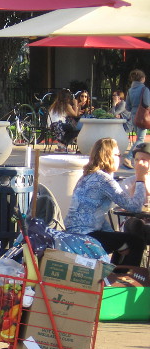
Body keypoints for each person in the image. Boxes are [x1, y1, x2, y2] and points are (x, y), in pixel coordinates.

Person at [64, 137, 149, 267]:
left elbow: (97, 215)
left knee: (123, 241)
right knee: (136, 242)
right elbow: (135, 207)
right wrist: (140, 178)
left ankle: (113, 275)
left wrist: (118, 241)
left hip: (74, 233)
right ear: (107, 156)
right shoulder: (104, 180)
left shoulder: (87, 176)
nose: (119, 158)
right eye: (117, 154)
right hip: (86, 236)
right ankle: (125, 278)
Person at [119, 142, 150, 244]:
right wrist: (139, 180)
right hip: (134, 224)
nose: (139, 163)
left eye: (144, 160)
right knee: (135, 225)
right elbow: (131, 207)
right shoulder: (128, 182)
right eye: (136, 160)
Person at [125, 69, 150, 169]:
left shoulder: (130, 90)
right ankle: (129, 157)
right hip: (142, 116)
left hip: (133, 116)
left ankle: (136, 159)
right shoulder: (144, 89)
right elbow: (147, 104)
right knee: (140, 139)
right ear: (142, 79)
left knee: (139, 138)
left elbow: (127, 107)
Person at [48, 89, 80, 153]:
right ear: (68, 98)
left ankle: (62, 146)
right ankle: (63, 145)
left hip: (52, 126)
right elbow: (75, 115)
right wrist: (75, 104)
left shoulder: (55, 105)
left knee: (70, 128)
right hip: (59, 126)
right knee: (75, 130)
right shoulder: (66, 105)